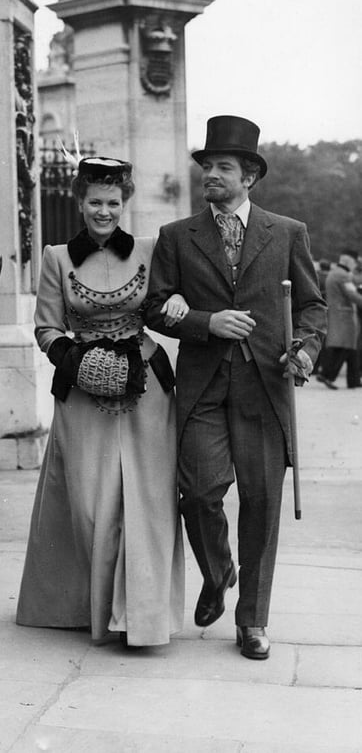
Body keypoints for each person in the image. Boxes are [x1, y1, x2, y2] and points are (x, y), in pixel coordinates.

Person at [143, 115, 326, 661]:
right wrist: (204, 322)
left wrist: (307, 351)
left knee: (262, 502)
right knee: (198, 492)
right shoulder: (176, 236)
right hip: (202, 387)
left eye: (223, 167)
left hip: (268, 386)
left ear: (250, 176)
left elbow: (313, 306)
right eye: (207, 167)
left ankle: (252, 622)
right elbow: (156, 307)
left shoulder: (287, 232)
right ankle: (218, 571)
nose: (211, 176)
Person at [16, 156, 186, 648]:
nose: (104, 211)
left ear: (125, 202)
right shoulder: (56, 257)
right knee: (89, 504)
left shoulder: (153, 250)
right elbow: (46, 326)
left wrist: (176, 305)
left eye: (113, 202)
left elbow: (166, 303)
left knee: (150, 499)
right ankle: (88, 609)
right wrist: (75, 359)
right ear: (79, 201)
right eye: (95, 201)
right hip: (83, 386)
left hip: (147, 386)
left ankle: (144, 617)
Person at [317, 249, 362, 389]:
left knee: (351, 350)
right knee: (345, 347)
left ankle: (354, 380)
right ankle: (327, 375)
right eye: (355, 262)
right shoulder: (343, 276)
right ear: (349, 260)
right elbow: (352, 295)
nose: (355, 265)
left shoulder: (334, 273)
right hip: (345, 317)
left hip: (338, 314)